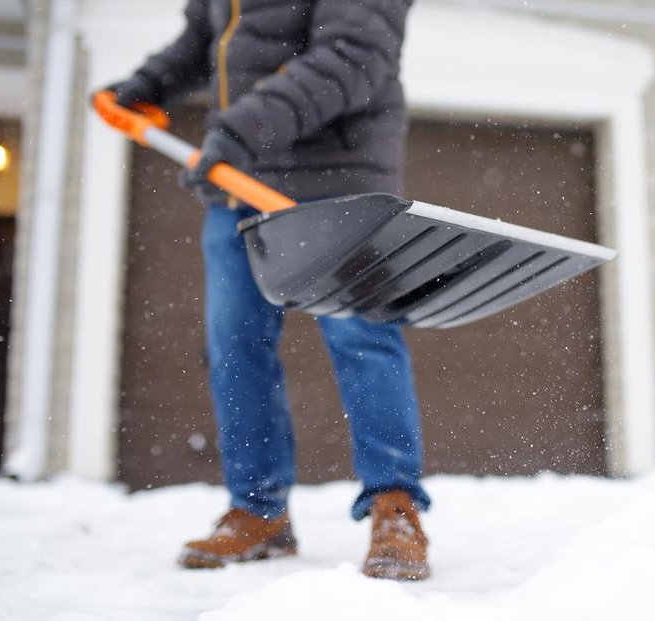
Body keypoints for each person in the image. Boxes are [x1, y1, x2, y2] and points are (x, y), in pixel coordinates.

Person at [106, 0, 430, 581]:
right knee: (236, 348)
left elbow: (355, 56)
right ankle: (259, 510)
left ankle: (394, 504)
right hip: (240, 181)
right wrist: (149, 84)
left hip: (340, 178)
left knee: (363, 339)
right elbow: (208, 39)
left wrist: (240, 128)